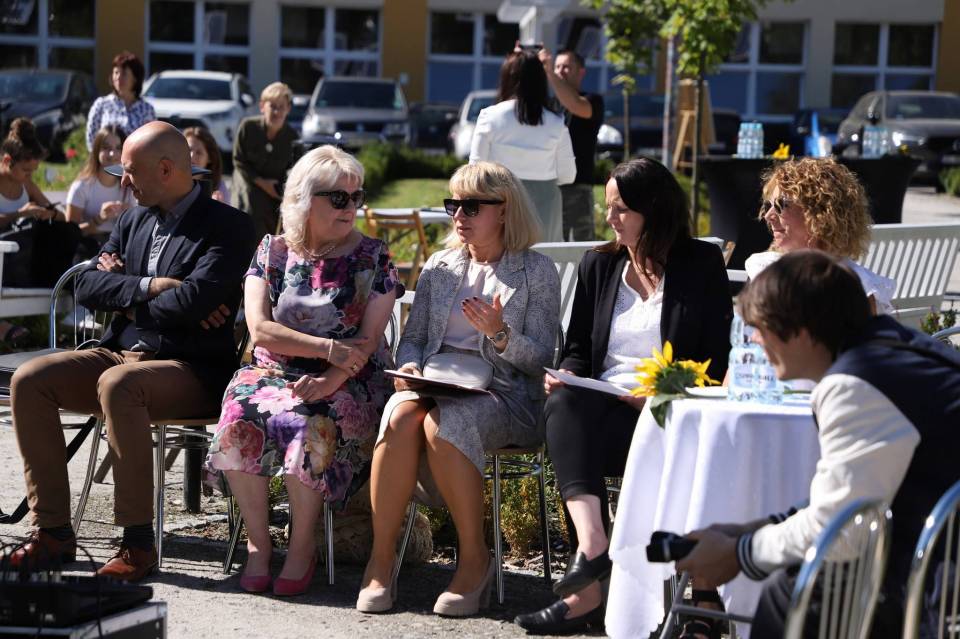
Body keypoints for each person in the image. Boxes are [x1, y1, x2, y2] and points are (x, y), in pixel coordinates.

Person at [3, 121, 256, 581]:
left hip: (190, 367)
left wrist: (128, 292)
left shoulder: (229, 226)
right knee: (30, 380)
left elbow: (195, 300)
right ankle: (53, 532)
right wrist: (151, 287)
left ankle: (137, 545)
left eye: (131, 171)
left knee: (120, 385)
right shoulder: (132, 219)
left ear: (165, 170)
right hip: (120, 354)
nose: (123, 182)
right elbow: (86, 285)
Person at [675, 250, 960, 639]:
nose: (754, 340)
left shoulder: (855, 385)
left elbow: (840, 533)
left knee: (793, 594)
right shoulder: (893, 346)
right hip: (937, 548)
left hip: (940, 585)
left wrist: (739, 553)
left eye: (761, 328)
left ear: (802, 332)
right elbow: (850, 496)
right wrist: (752, 529)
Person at [515, 157, 733, 635]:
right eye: (608, 206)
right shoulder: (600, 263)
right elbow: (577, 349)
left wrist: (659, 393)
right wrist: (568, 374)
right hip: (605, 412)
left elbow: (718, 360)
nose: (609, 217)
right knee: (563, 401)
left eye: (621, 208)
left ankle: (593, 591)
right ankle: (594, 551)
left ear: (653, 209)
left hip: (670, 414)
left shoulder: (700, 263)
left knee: (584, 427)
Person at [357, 161, 561, 616]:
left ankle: (474, 560)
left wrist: (500, 334)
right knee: (400, 415)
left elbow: (540, 359)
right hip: (435, 383)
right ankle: (381, 559)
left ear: (504, 209)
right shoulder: (441, 265)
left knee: (443, 423)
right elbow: (413, 338)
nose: (459, 216)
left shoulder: (536, 271)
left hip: (506, 395)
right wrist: (410, 365)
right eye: (454, 205)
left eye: (471, 206)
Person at [205, 145, 401, 597]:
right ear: (303, 199)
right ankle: (258, 545)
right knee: (238, 414)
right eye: (338, 197)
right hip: (273, 371)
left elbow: (368, 341)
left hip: (352, 378)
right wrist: (326, 347)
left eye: (356, 197)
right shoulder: (272, 251)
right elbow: (260, 329)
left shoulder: (373, 257)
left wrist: (331, 375)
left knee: (310, 421)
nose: (351, 207)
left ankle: (301, 547)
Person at [745, 157, 895, 315]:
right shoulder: (764, 267)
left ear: (820, 214)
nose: (768, 216)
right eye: (768, 205)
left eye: (781, 205)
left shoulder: (858, 285)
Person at [470, 51, 576, 242]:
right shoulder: (556, 122)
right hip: (546, 208)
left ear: (507, 78)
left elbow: (475, 170)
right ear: (541, 80)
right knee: (546, 258)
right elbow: (568, 175)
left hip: (502, 203)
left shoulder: (489, 116)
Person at [0, 117, 80, 345]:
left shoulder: (26, 184)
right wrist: (19, 214)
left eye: (33, 171)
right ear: (7, 160)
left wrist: (49, 213)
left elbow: (64, 217)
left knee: (68, 232)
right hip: (5, 258)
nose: (29, 176)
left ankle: (78, 296)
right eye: (26, 171)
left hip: (25, 262)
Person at [539, 47, 604, 241]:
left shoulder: (593, 100)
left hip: (578, 188)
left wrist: (549, 72)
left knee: (580, 248)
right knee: (548, 247)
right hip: (550, 186)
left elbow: (575, 105)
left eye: (566, 67)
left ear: (581, 72)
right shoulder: (548, 105)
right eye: (557, 66)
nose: (560, 71)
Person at [233, 81, 301, 240]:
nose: (276, 112)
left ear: (288, 109)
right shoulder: (248, 127)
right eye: (273, 106)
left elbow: (294, 169)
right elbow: (239, 160)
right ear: (262, 106)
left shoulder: (292, 137)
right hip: (248, 184)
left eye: (281, 107)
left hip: (275, 191)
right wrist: (262, 183)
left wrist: (280, 190)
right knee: (252, 202)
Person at [66, 125, 135, 258]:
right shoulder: (82, 186)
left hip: (121, 248)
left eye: (118, 148)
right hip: (89, 247)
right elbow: (69, 233)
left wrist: (131, 215)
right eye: (106, 148)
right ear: (96, 151)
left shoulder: (130, 186)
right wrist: (100, 218)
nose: (112, 154)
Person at [85, 51, 155, 151]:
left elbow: (152, 143)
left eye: (124, 73)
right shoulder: (101, 104)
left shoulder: (147, 110)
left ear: (135, 78)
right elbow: (92, 140)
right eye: (116, 72)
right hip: (107, 160)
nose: (118, 77)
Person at [183, 126, 229, 202]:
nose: (192, 156)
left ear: (210, 158)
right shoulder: (171, 181)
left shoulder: (219, 188)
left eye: (199, 153)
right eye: (188, 150)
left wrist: (217, 206)